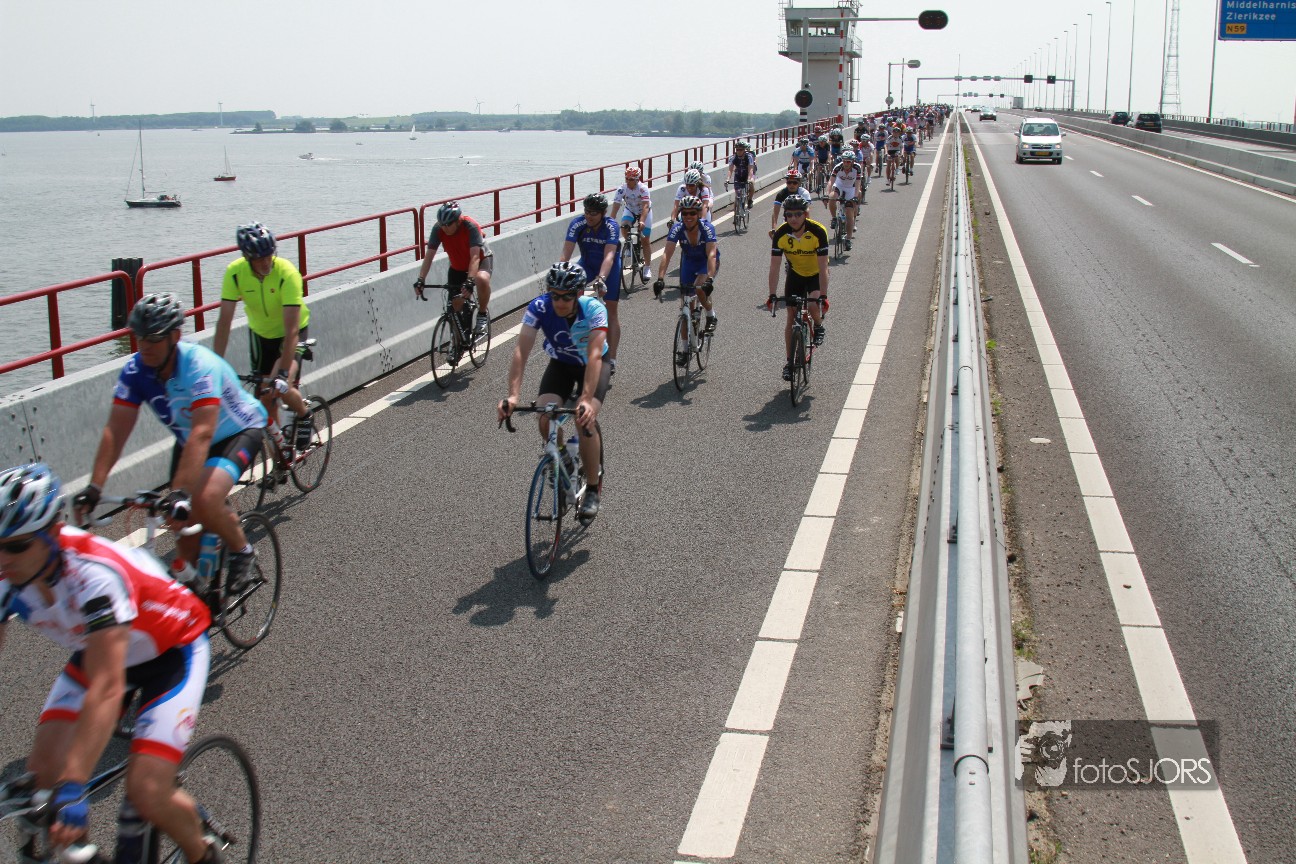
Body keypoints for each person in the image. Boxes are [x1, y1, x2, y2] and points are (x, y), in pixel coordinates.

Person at [0, 463, 219, 863]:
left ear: (53, 534)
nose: (3, 558)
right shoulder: (5, 577)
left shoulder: (94, 576)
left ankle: (204, 854)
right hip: (106, 648)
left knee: (147, 791)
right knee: (42, 774)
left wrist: (74, 786)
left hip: (173, 648)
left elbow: (106, 687)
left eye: (16, 546)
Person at [77, 293, 267, 591]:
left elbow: (203, 431)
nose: (144, 345)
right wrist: (94, 487)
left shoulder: (198, 366)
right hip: (190, 441)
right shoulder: (135, 372)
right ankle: (194, 596)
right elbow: (115, 430)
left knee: (202, 500)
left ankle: (243, 551)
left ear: (175, 336)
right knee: (182, 526)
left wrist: (180, 492)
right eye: (139, 337)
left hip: (237, 432)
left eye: (153, 338)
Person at [498, 263, 608, 518]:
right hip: (561, 364)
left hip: (592, 365)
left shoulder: (594, 309)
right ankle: (563, 459)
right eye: (554, 295)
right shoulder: (539, 307)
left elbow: (594, 355)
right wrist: (513, 395)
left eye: (566, 296)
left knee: (583, 419)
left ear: (578, 294)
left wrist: (586, 399)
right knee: (545, 416)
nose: (559, 302)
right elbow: (521, 350)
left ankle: (593, 488)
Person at [213, 222, 312, 456]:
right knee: (264, 400)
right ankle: (280, 459)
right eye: (259, 259)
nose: (266, 263)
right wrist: (214, 366)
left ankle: (304, 414)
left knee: (280, 386)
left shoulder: (286, 273)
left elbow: (291, 329)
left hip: (291, 333)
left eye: (269, 256)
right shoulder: (235, 273)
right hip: (261, 336)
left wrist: (283, 373)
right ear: (247, 258)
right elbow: (224, 322)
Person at [767, 196, 828, 382]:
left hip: (815, 274)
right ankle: (789, 363)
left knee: (813, 305)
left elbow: (824, 268)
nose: (794, 218)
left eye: (798, 214)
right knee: (791, 316)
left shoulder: (818, 231)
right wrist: (772, 295)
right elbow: (775, 267)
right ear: (785, 216)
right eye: (789, 215)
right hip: (796, 274)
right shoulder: (781, 234)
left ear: (805, 214)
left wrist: (823, 296)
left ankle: (818, 325)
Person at [412, 200, 495, 338]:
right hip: (458, 267)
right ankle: (459, 342)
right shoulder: (438, 229)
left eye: (448, 224)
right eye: (442, 224)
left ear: (458, 221)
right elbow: (429, 256)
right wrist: (421, 279)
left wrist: (470, 281)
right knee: (455, 306)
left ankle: (482, 314)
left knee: (481, 279)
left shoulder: (470, 226)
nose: (444, 228)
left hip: (481, 261)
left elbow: (475, 257)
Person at [560, 193, 622, 374]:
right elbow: (566, 253)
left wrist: (601, 278)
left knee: (611, 310)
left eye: (594, 213)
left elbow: (609, 256)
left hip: (609, 267)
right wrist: (560, 272)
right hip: (587, 264)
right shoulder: (578, 223)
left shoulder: (611, 226)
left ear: (603, 213)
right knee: (569, 299)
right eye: (587, 211)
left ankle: (611, 358)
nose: (589, 216)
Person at [654, 195, 720, 336]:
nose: (688, 216)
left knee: (700, 288)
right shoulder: (677, 228)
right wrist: (660, 278)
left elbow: (711, 255)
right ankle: (685, 346)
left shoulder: (707, 228)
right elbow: (667, 254)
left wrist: (709, 279)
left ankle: (711, 315)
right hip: (689, 261)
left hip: (706, 261)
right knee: (685, 305)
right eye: (684, 213)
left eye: (692, 213)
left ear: (698, 214)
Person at [609, 167, 654, 284]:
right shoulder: (622, 189)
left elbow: (645, 206)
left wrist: (642, 221)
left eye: (631, 179)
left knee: (645, 240)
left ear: (637, 179)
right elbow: (616, 206)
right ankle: (629, 245)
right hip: (630, 210)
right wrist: (610, 220)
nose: (628, 181)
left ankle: (647, 268)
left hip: (644, 212)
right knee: (624, 226)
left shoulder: (643, 189)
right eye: (627, 179)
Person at [827, 151, 864, 250]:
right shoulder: (838, 167)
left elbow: (858, 183)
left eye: (848, 162)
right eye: (844, 161)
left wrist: (855, 196)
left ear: (852, 162)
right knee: (832, 196)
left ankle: (848, 239)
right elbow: (831, 181)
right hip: (839, 186)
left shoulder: (857, 168)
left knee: (849, 213)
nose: (846, 163)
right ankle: (834, 218)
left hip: (851, 188)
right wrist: (827, 193)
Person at [770, 167, 814, 236]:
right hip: (788, 219)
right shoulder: (781, 194)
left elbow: (807, 211)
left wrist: (808, 229)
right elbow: (775, 213)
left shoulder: (804, 193)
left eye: (794, 183)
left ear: (799, 183)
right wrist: (774, 228)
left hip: (801, 219)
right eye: (789, 182)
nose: (791, 185)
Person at [726, 141, 757, 211]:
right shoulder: (733, 157)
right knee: (737, 194)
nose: (739, 151)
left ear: (744, 150)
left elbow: (750, 170)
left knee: (751, 183)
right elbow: (730, 170)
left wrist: (749, 179)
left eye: (741, 150)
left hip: (748, 174)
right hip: (738, 175)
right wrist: (727, 179)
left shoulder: (749, 156)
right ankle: (736, 214)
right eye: (737, 150)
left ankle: (750, 200)